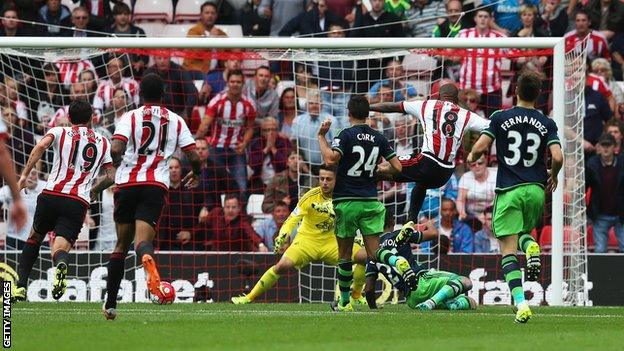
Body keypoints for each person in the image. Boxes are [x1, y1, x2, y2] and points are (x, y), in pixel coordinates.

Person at [91, 73, 202, 320]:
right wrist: (196, 173)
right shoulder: (175, 120)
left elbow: (117, 148)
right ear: (163, 95)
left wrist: (113, 164)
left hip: (127, 183)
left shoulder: (129, 117)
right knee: (143, 242)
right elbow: (194, 156)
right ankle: (147, 259)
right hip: (155, 184)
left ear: (140, 95)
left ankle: (110, 306)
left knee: (121, 245)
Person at [467, 71, 564, 323]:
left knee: (507, 250)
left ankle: (521, 304)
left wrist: (471, 157)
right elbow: (558, 156)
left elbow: (480, 147)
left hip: (509, 190)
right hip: (536, 190)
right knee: (523, 234)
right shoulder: (547, 122)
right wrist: (553, 174)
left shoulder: (500, 117)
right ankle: (530, 244)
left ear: (515, 91)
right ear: (539, 94)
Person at [317, 94, 415, 312]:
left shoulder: (346, 134)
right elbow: (398, 167)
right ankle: (397, 261)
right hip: (371, 202)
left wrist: (322, 137)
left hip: (347, 201)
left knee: (344, 255)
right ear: (368, 113)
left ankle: (343, 303)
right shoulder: (379, 137)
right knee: (375, 252)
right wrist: (378, 170)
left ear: (349, 112)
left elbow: (330, 159)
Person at [11, 100, 113, 302]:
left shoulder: (60, 131)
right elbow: (110, 176)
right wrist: (94, 190)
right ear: (91, 117)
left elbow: (40, 145)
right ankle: (60, 266)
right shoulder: (103, 142)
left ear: (70, 117)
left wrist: (24, 175)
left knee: (35, 237)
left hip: (51, 194)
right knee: (60, 247)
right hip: (77, 201)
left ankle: (20, 287)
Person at [231, 164, 368, 305]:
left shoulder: (344, 198)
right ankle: (248, 297)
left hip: (331, 242)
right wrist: (283, 233)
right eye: (322, 179)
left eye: (328, 179)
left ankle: (356, 295)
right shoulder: (310, 196)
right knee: (282, 266)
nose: (324, 182)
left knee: (364, 257)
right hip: (306, 241)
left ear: (336, 180)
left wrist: (358, 238)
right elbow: (292, 218)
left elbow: (352, 220)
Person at [369, 82, 490, 226]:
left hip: (427, 163)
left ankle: (365, 205)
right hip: (445, 173)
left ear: (438, 96)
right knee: (421, 184)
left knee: (379, 168)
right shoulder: (467, 115)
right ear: (456, 100)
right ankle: (410, 223)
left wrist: (369, 107)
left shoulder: (426, 105)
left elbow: (393, 106)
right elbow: (490, 126)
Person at [364, 213, 476, 310]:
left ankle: (442, 303)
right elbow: (433, 233)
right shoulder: (400, 234)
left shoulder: (372, 252)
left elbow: (368, 289)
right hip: (422, 282)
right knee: (465, 282)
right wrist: (427, 224)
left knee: (470, 302)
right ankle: (432, 302)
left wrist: (374, 308)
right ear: (392, 221)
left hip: (412, 300)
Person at [195, 69, 256, 195]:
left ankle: (241, 211)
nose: (235, 84)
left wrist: (244, 143)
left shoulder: (249, 105)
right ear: (227, 82)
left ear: (243, 83)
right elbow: (204, 125)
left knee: (241, 187)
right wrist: (198, 142)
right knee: (213, 186)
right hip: (216, 148)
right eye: (232, 81)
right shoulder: (217, 102)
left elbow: (250, 128)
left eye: (238, 82)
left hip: (236, 150)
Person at [456, 8, 506, 118]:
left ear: (490, 19)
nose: (482, 19)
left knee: (493, 123)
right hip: (467, 88)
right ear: (475, 18)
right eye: (480, 16)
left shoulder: (500, 37)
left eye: (485, 16)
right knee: (463, 123)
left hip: (492, 89)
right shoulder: (463, 35)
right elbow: (452, 54)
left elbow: (516, 54)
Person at [585, 133, 624, 253]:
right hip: (600, 215)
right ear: (599, 147)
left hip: (621, 215)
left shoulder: (622, 163)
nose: (606, 148)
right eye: (603, 145)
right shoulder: (592, 164)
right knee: (600, 250)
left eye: (609, 145)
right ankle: (599, 273)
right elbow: (584, 186)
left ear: (615, 147)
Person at [0, 168, 45, 250]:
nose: (30, 176)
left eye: (33, 173)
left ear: (38, 176)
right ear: (22, 175)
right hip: (15, 239)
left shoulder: (45, 188)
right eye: (27, 173)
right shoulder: (9, 190)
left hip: (39, 238)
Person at [158, 157, 197, 251]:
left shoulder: (191, 192)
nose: (173, 170)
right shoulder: (160, 192)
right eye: (170, 168)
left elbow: (200, 220)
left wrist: (190, 233)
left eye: (176, 167)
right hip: (164, 244)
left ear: (181, 170)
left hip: (189, 245)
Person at [183, 2, 228, 79]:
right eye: (207, 13)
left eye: (212, 13)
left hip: (215, 73)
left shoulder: (220, 33)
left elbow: (230, 50)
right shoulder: (193, 31)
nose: (210, 15)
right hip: (195, 72)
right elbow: (198, 51)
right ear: (201, 15)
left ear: (216, 15)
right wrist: (212, 37)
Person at [248, 116, 292, 193]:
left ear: (278, 130)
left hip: (281, 183)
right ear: (261, 132)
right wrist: (266, 149)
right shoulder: (256, 143)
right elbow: (253, 166)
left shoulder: (284, 142)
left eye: (273, 129)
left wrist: (273, 148)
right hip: (259, 183)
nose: (270, 133)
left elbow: (285, 165)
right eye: (267, 130)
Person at [107, 2, 149, 79]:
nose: (123, 16)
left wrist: (140, 63)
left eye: (125, 14)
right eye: (120, 14)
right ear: (114, 16)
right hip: (114, 73)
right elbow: (105, 56)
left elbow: (146, 56)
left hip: (134, 72)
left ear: (129, 16)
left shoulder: (139, 32)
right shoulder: (109, 33)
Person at [456, 155, 497, 222]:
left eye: (480, 163)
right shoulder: (465, 177)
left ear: (486, 162)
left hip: (492, 214)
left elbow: (498, 200)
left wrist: (484, 215)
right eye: (473, 164)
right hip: (471, 216)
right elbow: (460, 200)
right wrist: (462, 212)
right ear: (469, 166)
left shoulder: (495, 175)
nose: (477, 166)